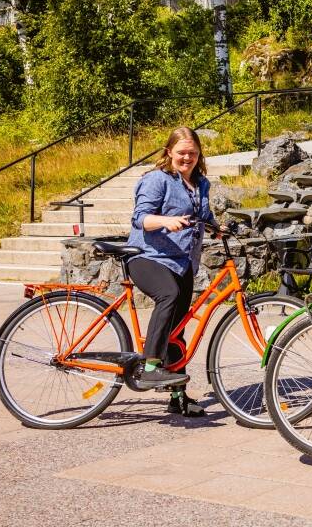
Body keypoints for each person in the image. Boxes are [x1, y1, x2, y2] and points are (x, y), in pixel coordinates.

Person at [126, 126, 218, 416]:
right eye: (181, 153)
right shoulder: (157, 180)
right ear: (169, 153)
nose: (187, 158)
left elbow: (204, 216)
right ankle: (150, 367)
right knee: (169, 295)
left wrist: (220, 228)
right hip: (147, 257)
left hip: (183, 262)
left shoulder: (201, 184)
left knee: (177, 329)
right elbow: (140, 218)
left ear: (199, 153)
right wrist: (166, 221)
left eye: (192, 152)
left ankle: (178, 396)